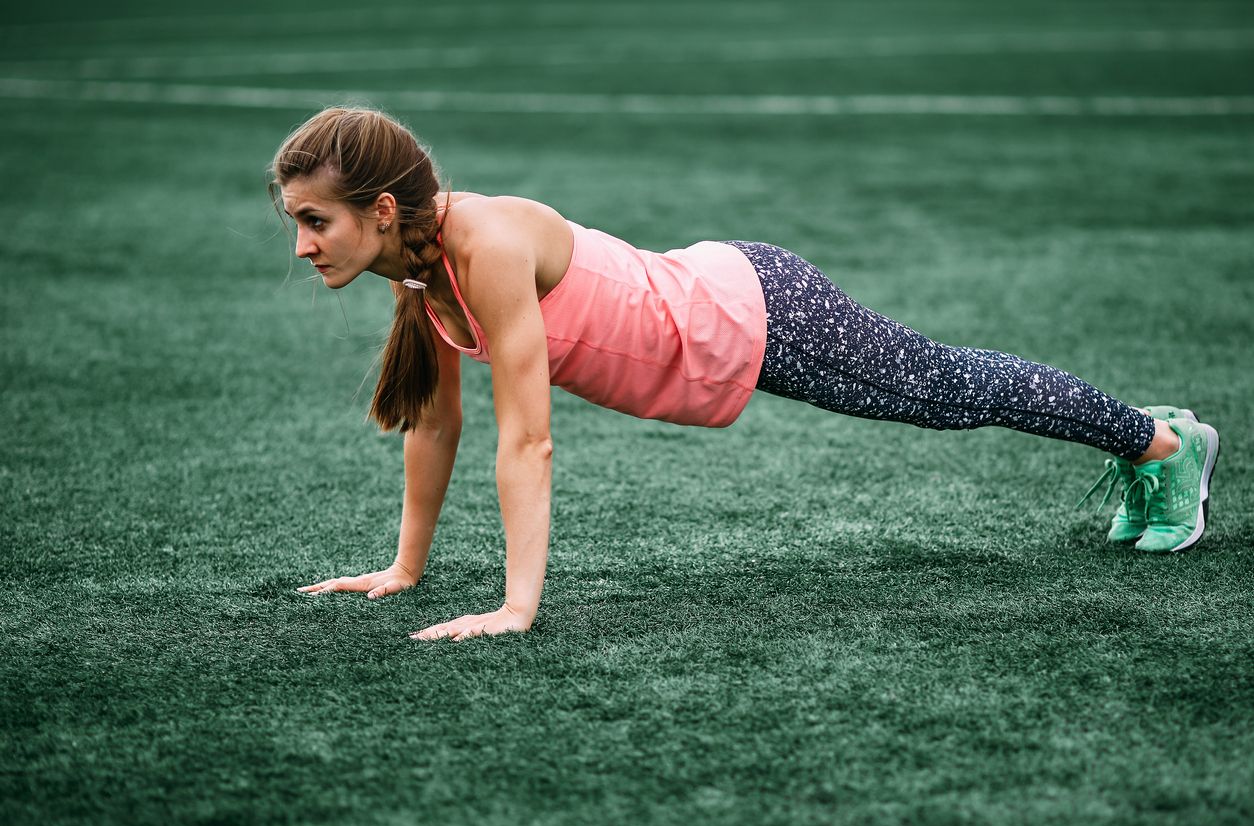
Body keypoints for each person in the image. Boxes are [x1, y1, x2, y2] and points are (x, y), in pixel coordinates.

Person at [271, 106, 1221, 642]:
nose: (303, 244)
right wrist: (404, 569)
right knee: (946, 389)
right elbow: (435, 427)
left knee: (945, 390)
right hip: (721, 306)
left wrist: (518, 608)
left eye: (316, 220)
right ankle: (1147, 435)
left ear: (384, 208)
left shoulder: (487, 242)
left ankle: (1164, 444)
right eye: (296, 222)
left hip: (755, 313)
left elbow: (528, 436)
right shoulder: (421, 271)